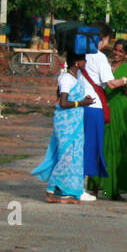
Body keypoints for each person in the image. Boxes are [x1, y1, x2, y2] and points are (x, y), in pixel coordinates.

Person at [30, 52, 94, 204]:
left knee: (74, 158)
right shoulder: (66, 79)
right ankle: (51, 189)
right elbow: (64, 103)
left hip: (75, 123)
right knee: (66, 157)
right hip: (66, 124)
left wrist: (83, 100)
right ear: (77, 63)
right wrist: (81, 103)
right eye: (83, 61)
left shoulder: (75, 78)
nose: (85, 63)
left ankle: (67, 191)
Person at [90, 39, 127, 200]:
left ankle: (115, 189)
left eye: (120, 52)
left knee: (119, 149)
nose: (116, 54)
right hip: (103, 108)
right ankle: (95, 186)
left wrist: (126, 85)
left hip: (120, 110)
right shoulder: (104, 67)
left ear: (126, 54)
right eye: (115, 50)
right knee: (100, 147)